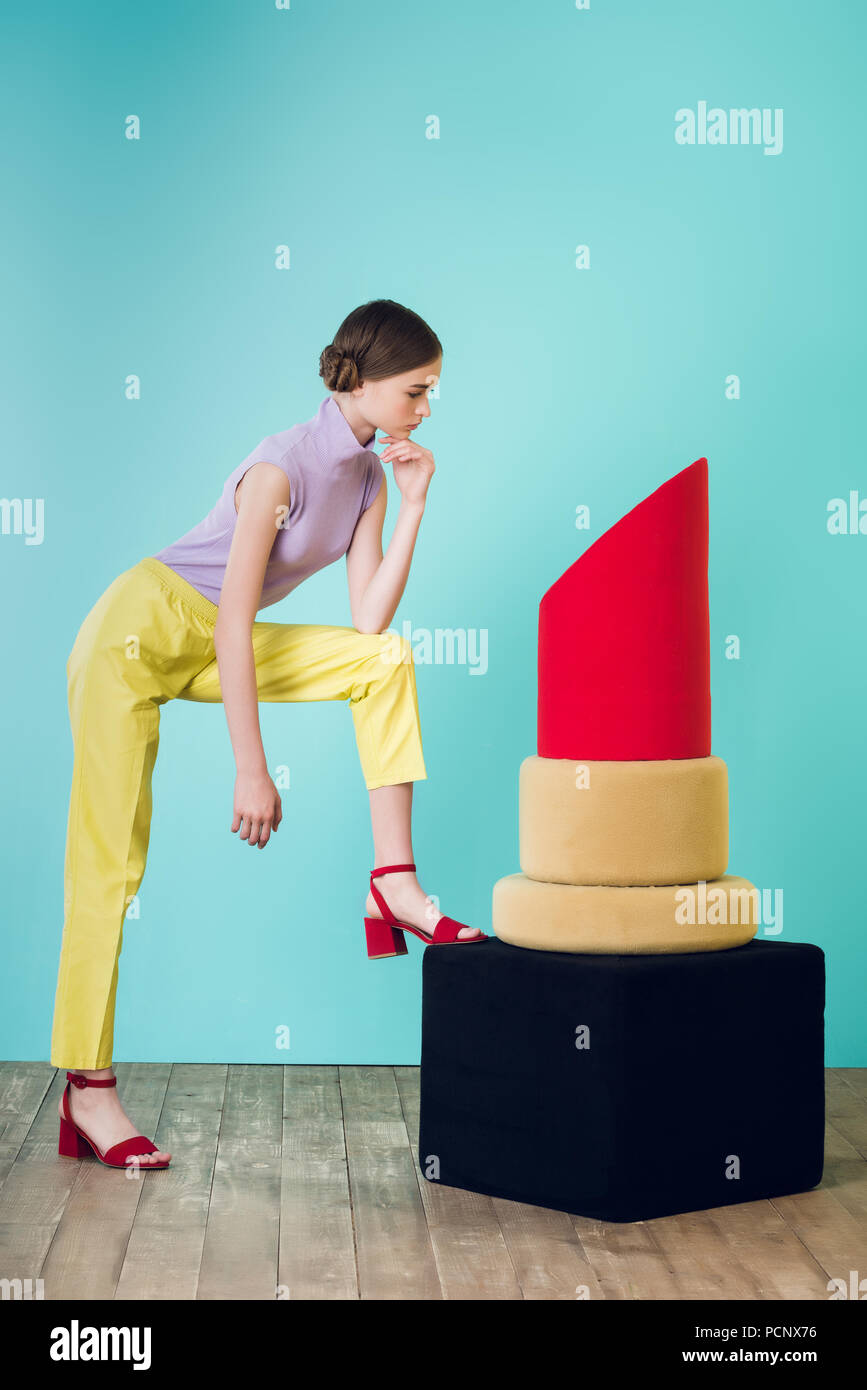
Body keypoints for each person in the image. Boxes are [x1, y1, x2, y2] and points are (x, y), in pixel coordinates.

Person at [50, 298, 486, 1172]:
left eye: (432, 392)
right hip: (140, 633)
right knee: (110, 861)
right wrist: (251, 769)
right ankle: (86, 1090)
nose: (426, 409)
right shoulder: (277, 468)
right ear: (362, 382)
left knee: (386, 660)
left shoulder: (366, 477)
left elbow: (367, 620)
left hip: (221, 641)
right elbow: (231, 621)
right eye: (417, 390)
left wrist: (414, 504)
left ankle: (393, 882)